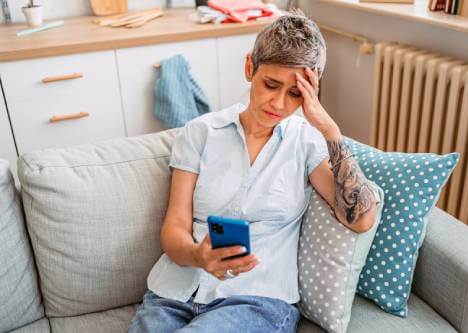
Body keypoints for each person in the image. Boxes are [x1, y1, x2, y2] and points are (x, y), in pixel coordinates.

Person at [129, 9, 381, 333]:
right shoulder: (200, 132)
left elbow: (360, 219)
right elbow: (174, 226)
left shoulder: (308, 144)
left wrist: (330, 129)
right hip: (174, 292)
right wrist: (197, 255)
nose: (278, 103)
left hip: (256, 300)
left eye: (295, 93)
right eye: (271, 84)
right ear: (250, 67)